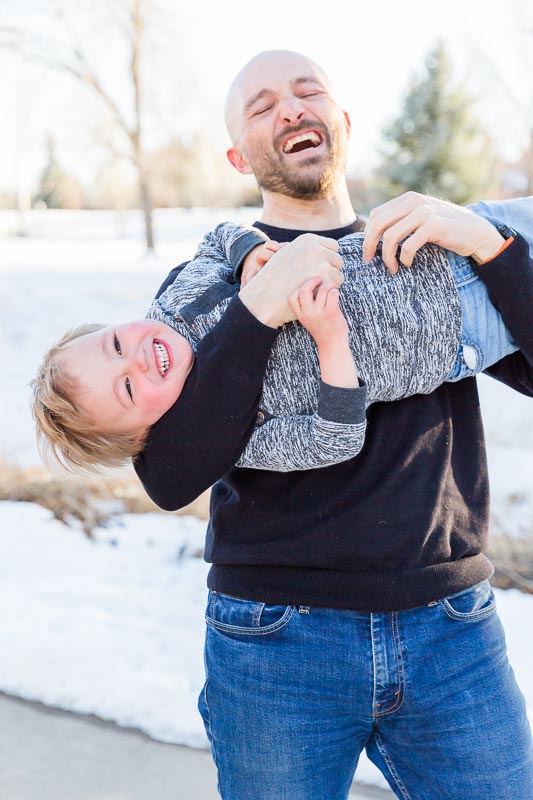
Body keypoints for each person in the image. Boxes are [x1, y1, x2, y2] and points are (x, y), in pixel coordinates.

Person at [136, 50, 533, 798]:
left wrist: (489, 247)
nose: (289, 108)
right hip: (276, 641)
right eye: (260, 106)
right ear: (237, 153)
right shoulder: (210, 283)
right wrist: (257, 312)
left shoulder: (425, 247)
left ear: (341, 123)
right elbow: (168, 473)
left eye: (306, 91)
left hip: (450, 630)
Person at [33, 218, 521, 474]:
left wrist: (249, 253)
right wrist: (332, 341)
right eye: (127, 389)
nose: (136, 359)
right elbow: (333, 439)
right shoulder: (229, 437)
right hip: (465, 328)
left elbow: (215, 240)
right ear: (141, 436)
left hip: (440, 237)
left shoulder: (171, 306)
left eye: (116, 342)